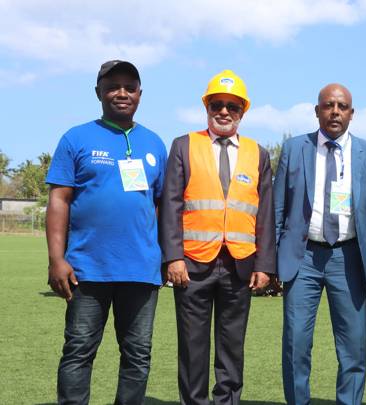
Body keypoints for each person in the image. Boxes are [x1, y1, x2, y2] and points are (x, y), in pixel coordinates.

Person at [46, 60, 166, 404]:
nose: (122, 93)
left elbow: (159, 206)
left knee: (138, 354)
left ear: (140, 95)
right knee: (79, 350)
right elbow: (59, 200)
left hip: (141, 270)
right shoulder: (76, 138)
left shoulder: (154, 143)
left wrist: (160, 255)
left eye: (130, 86)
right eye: (113, 86)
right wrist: (57, 259)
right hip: (87, 268)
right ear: (98, 92)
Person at [159, 70, 275, 404]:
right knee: (192, 347)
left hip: (240, 264)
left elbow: (264, 212)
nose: (224, 111)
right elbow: (171, 205)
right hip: (192, 265)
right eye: (217, 105)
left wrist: (264, 264)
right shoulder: (184, 145)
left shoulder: (258, 153)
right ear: (207, 107)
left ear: (243, 111)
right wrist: (173, 257)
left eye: (232, 106)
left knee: (232, 347)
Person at [273, 83, 366, 405]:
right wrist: (273, 259)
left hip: (349, 257)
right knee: (295, 344)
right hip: (303, 256)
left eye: (342, 107)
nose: (335, 112)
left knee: (353, 346)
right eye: (328, 105)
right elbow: (279, 209)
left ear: (351, 113)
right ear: (317, 110)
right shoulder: (295, 148)